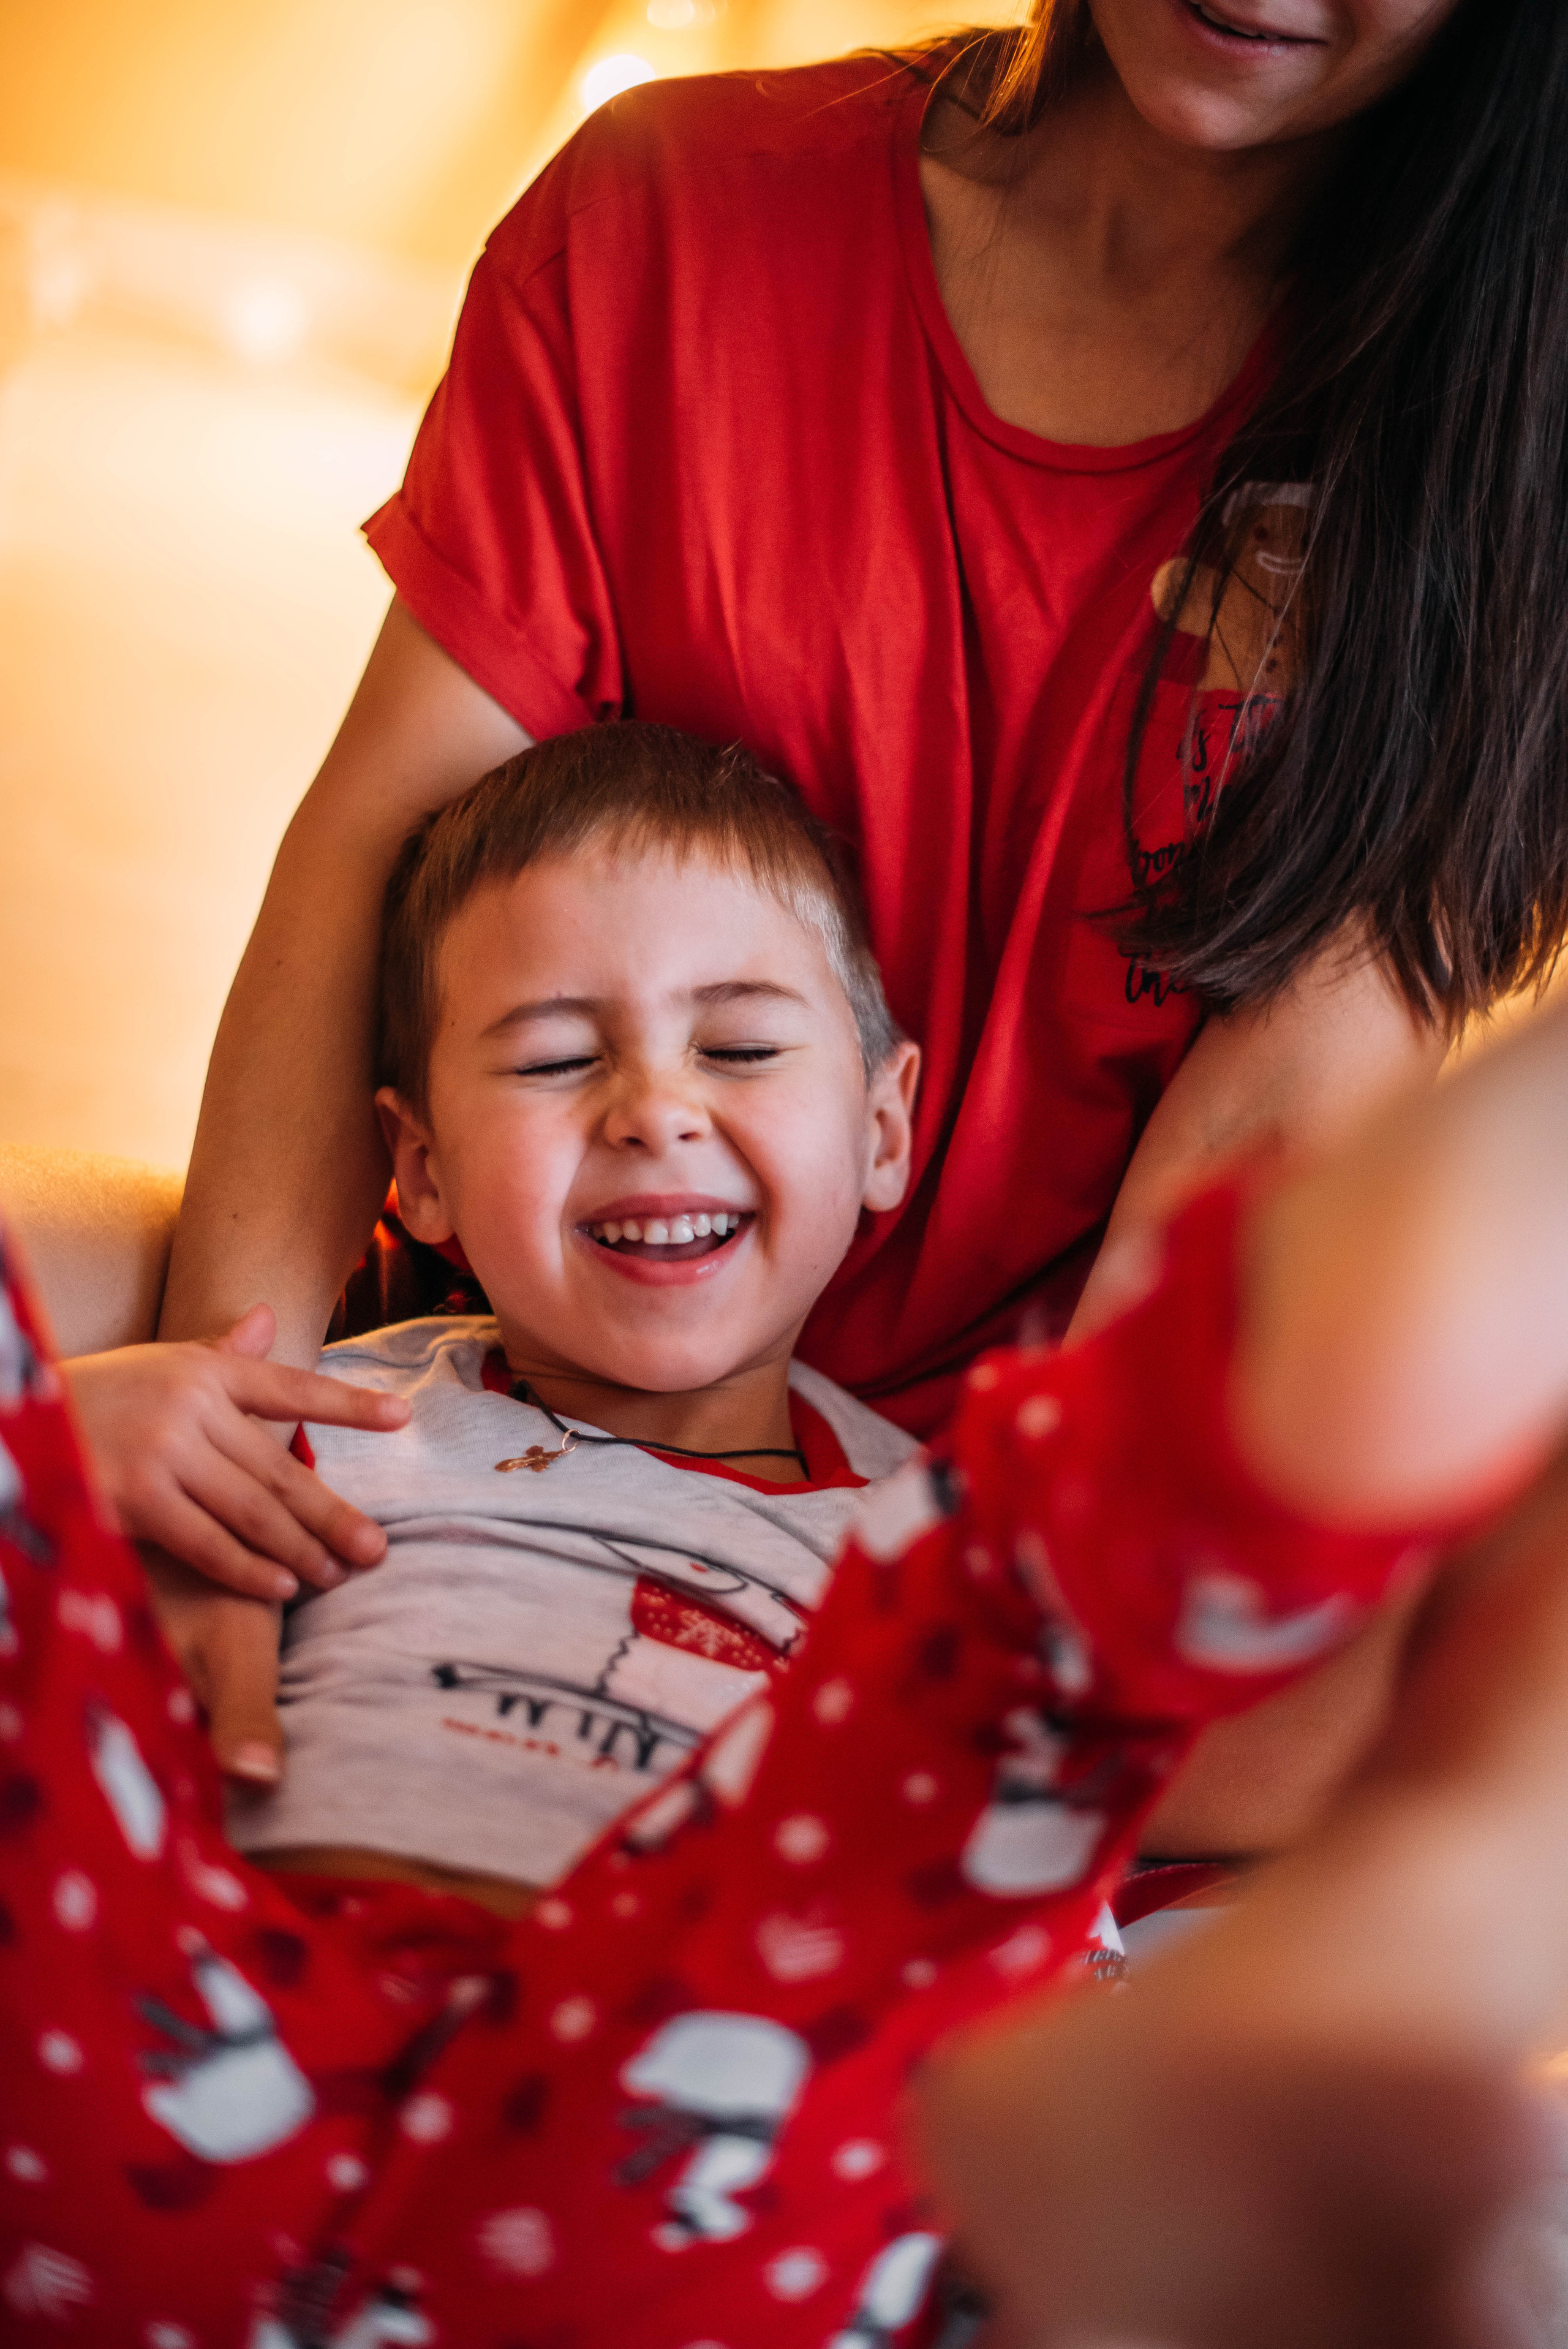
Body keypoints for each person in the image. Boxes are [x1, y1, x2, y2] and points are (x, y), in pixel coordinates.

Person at [94, 0, 1568, 1869]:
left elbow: (1262, 1166)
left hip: (983, 1523)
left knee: (1498, 1650)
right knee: (58, 1298)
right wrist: (235, 1470)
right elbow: (372, 853)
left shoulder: (1497, 443)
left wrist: (961, 1656)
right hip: (519, 1336)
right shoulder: (669, 211)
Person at [7, 721, 1568, 2348]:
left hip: (687, 2145)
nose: (650, 1109)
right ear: (419, 1168)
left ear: (886, 1128)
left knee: (1055, 1597)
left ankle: (1506, 1189)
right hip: (183, 2048)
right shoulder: (308, 1398)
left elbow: (1037, 1845)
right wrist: (78, 1430)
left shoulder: (934, 1518)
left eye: (740, 1048)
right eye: (553, 1059)